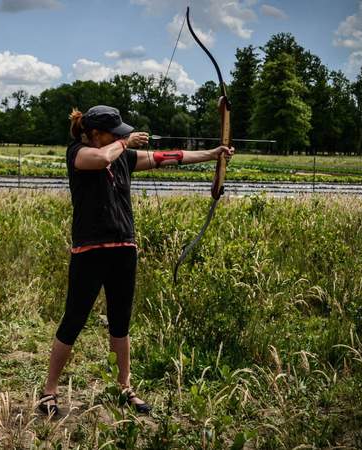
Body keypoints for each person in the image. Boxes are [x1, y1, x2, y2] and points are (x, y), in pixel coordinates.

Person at [37, 105, 235, 416]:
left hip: (123, 249)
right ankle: (49, 391)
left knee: (121, 322)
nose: (119, 138)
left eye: (120, 134)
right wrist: (125, 142)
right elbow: (101, 158)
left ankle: (125, 387)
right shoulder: (78, 152)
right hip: (89, 251)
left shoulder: (123, 156)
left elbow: (169, 157)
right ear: (93, 133)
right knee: (73, 321)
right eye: (113, 134)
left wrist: (213, 154)